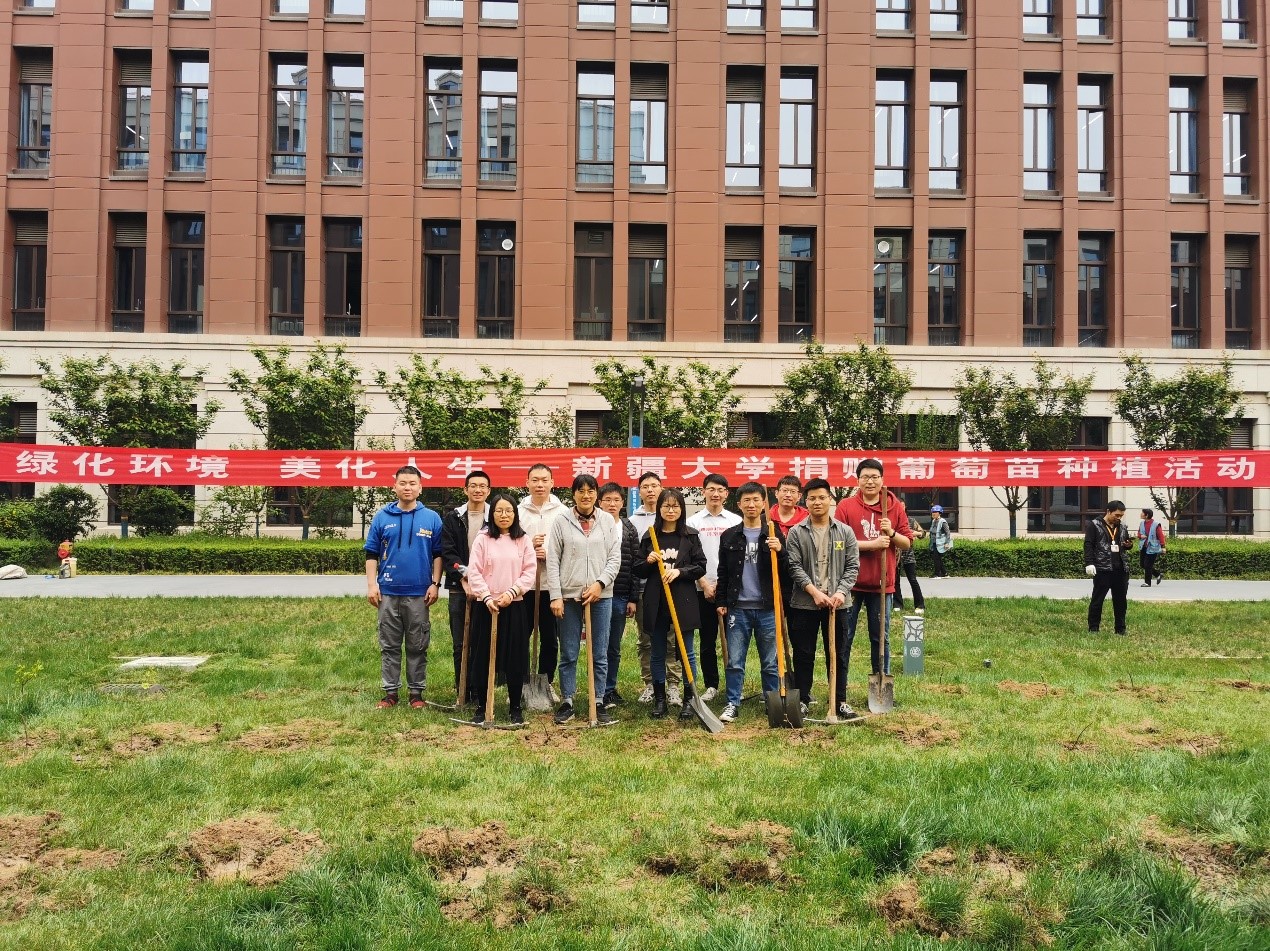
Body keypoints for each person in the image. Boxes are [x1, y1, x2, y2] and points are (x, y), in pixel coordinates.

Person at [834, 459, 912, 717]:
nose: (870, 481)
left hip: (882, 585)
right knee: (844, 637)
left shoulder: (893, 506)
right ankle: (840, 691)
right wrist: (872, 545)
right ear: (857, 480)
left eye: (874, 477)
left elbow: (907, 543)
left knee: (881, 638)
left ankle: (882, 684)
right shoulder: (846, 507)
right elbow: (838, 543)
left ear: (882, 479)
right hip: (850, 585)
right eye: (865, 476)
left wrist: (891, 534)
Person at [364, 465, 444, 710]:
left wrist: (435, 584)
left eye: (412, 483)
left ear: (420, 488)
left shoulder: (432, 518)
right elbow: (371, 553)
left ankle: (416, 693)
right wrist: (372, 585)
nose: (407, 487)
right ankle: (390, 693)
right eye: (403, 483)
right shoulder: (382, 517)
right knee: (389, 645)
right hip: (388, 592)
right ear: (394, 486)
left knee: (417, 644)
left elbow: (438, 554)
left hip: (419, 593)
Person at [546, 474, 623, 725]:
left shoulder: (607, 521)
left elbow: (614, 558)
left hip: (601, 596)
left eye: (591, 491)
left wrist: (600, 584)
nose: (586, 495)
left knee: (599, 652)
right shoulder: (561, 521)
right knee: (569, 652)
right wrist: (556, 596)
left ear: (596, 495)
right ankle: (567, 701)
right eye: (581, 491)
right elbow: (553, 559)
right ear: (574, 494)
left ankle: (598, 700)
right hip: (569, 596)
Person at [786, 478, 861, 716]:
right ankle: (803, 699)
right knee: (803, 654)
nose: (817, 502)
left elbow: (852, 566)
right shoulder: (797, 532)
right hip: (805, 604)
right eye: (812, 498)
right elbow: (794, 566)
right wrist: (814, 592)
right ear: (805, 501)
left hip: (838, 604)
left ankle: (839, 700)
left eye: (821, 497)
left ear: (830, 499)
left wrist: (841, 592)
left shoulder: (845, 532)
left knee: (838, 654)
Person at [632, 488, 707, 721]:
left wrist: (680, 572)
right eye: (666, 506)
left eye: (675, 506)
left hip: (684, 600)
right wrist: (648, 561)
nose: (671, 510)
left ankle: (689, 699)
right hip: (656, 601)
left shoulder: (690, 536)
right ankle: (660, 699)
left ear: (682, 509)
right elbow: (638, 569)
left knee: (687, 651)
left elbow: (701, 566)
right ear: (659, 508)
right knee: (657, 651)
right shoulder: (650, 536)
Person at [714, 481, 785, 723]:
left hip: (767, 608)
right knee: (735, 660)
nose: (752, 504)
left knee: (770, 661)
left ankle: (772, 702)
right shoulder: (730, 535)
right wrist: (721, 600)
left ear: (764, 504)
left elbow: (786, 569)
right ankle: (732, 703)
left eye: (756, 500)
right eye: (747, 500)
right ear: (739, 504)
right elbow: (723, 571)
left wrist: (780, 550)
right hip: (738, 608)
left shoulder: (773, 533)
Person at [465, 493, 538, 725]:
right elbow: (474, 571)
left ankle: (515, 707)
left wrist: (512, 592)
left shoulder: (523, 540)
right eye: (499, 511)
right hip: (486, 606)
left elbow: (529, 571)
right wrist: (486, 596)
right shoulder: (483, 539)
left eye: (508, 511)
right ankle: (482, 705)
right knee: (483, 655)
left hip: (514, 605)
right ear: (492, 514)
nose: (504, 515)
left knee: (515, 656)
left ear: (515, 514)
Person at [685, 473, 741, 702]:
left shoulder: (735, 521)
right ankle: (711, 685)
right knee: (707, 640)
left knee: (734, 639)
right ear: (703, 491)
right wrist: (704, 583)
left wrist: (724, 585)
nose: (715, 494)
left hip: (730, 590)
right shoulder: (693, 522)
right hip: (702, 589)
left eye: (720, 490)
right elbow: (689, 557)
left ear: (726, 494)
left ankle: (734, 685)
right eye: (711, 489)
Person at [629, 471, 683, 705]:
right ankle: (651, 683)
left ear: (661, 489)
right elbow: (633, 561)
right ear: (639, 491)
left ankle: (673, 684)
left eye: (654, 485)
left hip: (672, 588)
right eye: (645, 486)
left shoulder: (675, 520)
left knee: (672, 639)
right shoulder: (632, 521)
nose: (650, 490)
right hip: (645, 590)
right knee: (647, 640)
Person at [440, 469, 491, 704]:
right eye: (473, 486)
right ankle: (462, 690)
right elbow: (448, 552)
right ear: (465, 489)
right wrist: (464, 578)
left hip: (488, 588)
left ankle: (480, 689)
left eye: (482, 486)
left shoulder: (495, 516)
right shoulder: (453, 517)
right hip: (459, 587)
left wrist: (478, 581)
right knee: (460, 642)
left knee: (482, 641)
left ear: (488, 491)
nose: (477, 490)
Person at [518, 463, 567, 691]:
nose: (540, 485)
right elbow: (509, 545)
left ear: (552, 483)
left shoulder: (563, 513)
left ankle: (546, 682)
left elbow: (570, 547)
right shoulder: (517, 511)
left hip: (551, 586)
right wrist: (529, 548)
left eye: (544, 480)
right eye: (535, 480)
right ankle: (520, 683)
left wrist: (548, 554)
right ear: (527, 483)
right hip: (523, 586)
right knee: (520, 637)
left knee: (550, 638)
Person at [598, 481, 641, 709]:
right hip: (597, 594)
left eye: (616, 500)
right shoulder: (593, 525)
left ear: (623, 503)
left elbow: (635, 564)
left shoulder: (628, 528)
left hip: (620, 594)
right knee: (599, 644)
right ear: (600, 502)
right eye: (607, 500)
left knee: (613, 646)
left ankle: (609, 688)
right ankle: (597, 689)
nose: (612, 504)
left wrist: (633, 598)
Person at [1085, 499, 1133, 635]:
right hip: (1103, 568)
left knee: (1121, 601)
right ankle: (1094, 628)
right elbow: (1088, 545)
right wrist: (1089, 563)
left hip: (1120, 569)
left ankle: (1120, 629)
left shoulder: (1122, 527)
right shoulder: (1094, 525)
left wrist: (1128, 545)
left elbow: (1125, 543)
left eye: (1121, 516)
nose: (1119, 518)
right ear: (1108, 511)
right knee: (1097, 600)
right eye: (1116, 515)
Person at [893, 520, 926, 615]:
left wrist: (917, 533)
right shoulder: (893, 520)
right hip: (895, 556)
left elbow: (923, 534)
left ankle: (920, 605)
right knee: (895, 581)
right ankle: (897, 604)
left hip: (908, 556)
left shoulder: (911, 521)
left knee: (912, 579)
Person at [1136, 507, 1167, 587]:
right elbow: (1139, 533)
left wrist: (1163, 546)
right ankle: (1158, 574)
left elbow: (1160, 535)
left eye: (1142, 513)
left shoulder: (1156, 524)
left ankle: (1147, 582)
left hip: (1153, 547)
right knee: (1142, 564)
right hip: (1144, 546)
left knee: (1148, 565)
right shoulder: (1142, 523)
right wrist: (1140, 536)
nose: (1141, 514)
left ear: (1146, 515)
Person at [928, 505, 953, 579]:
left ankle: (937, 574)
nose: (933, 513)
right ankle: (945, 573)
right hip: (934, 543)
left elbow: (947, 532)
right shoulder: (933, 521)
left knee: (936, 558)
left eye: (935, 512)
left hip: (940, 543)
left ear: (939, 513)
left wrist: (947, 543)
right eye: (932, 512)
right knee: (937, 558)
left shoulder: (943, 521)